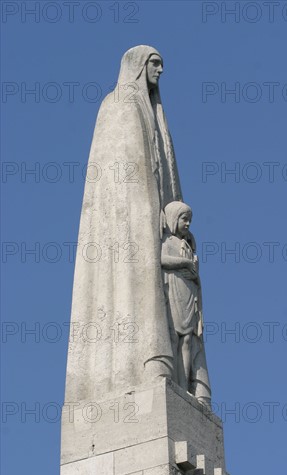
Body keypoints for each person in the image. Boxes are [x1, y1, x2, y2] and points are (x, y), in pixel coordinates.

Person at [65, 46, 182, 403]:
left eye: (161, 63)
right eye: (154, 63)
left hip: (151, 223)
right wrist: (140, 214)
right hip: (123, 224)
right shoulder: (117, 106)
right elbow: (118, 177)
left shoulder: (155, 116)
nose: (160, 70)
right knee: (129, 290)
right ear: (137, 66)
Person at [162, 201, 211, 406]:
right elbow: (161, 259)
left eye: (189, 219)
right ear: (174, 219)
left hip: (189, 291)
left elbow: (194, 272)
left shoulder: (189, 245)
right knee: (176, 333)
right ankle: (178, 381)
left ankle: (184, 386)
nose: (188, 223)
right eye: (184, 219)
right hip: (174, 288)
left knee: (189, 340)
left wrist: (192, 268)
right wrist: (184, 263)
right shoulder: (168, 240)